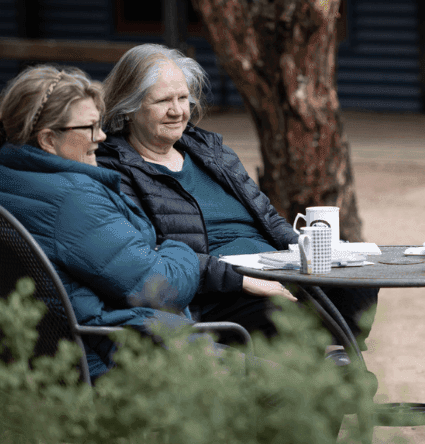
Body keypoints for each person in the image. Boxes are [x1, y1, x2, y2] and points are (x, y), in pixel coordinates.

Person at [95, 44, 378, 358]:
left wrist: (310, 254)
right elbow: (150, 253)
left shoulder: (210, 150)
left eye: (182, 98)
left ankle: (330, 362)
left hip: (273, 271)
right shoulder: (115, 169)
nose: (178, 111)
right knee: (282, 314)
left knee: (356, 283)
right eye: (163, 101)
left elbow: (267, 216)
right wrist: (241, 280)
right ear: (129, 107)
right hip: (219, 293)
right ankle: (328, 372)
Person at [0, 66, 242, 380]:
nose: (101, 136)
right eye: (89, 127)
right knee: (280, 385)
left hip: (30, 355)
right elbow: (160, 290)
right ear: (47, 139)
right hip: (107, 358)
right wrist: (176, 249)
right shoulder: (73, 199)